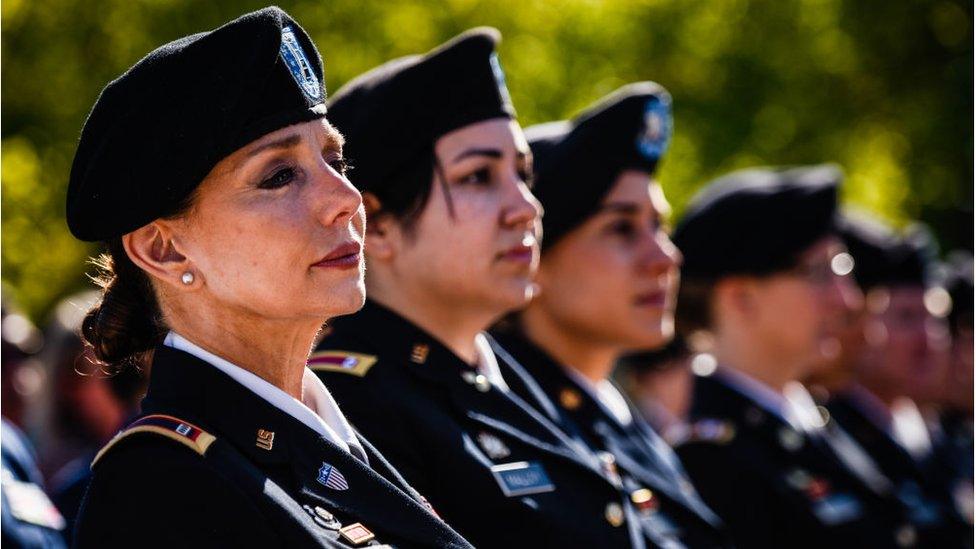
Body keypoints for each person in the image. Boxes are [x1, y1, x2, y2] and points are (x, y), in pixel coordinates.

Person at [66, 7, 471, 548]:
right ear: (164, 249)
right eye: (280, 176)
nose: (345, 198)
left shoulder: (330, 440)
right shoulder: (165, 490)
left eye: (336, 160)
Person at [311, 30, 644, 548]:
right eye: (477, 178)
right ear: (375, 225)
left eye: (523, 174)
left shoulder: (513, 377)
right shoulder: (356, 406)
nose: (526, 209)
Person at [490, 83, 730, 547]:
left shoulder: (613, 414)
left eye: (659, 226)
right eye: (621, 228)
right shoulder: (517, 425)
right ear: (533, 255)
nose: (664, 258)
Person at [670, 166, 921, 548]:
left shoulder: (816, 423)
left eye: (843, 270)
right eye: (820, 274)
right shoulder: (714, 460)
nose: (848, 300)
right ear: (741, 298)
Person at [825, 215, 972, 539]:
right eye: (906, 317)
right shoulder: (832, 432)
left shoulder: (938, 438)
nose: (927, 338)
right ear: (859, 324)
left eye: (934, 320)